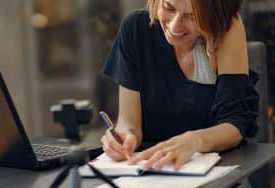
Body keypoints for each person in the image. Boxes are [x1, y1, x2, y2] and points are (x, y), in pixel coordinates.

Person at [101, 0, 259, 178]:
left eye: (191, 16)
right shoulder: (135, 29)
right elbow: (129, 123)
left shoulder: (225, 28)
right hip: (152, 176)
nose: (175, 26)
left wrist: (194, 140)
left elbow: (235, 125)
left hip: (221, 178)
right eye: (168, 8)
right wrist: (124, 139)